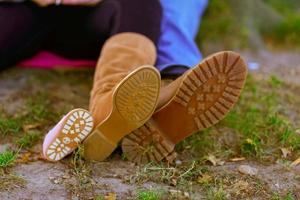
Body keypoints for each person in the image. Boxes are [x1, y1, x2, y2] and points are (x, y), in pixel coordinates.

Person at [0, 0, 248, 163]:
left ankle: (108, 107)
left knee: (141, 3)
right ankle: (148, 111)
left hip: (89, 17)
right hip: (23, 10)